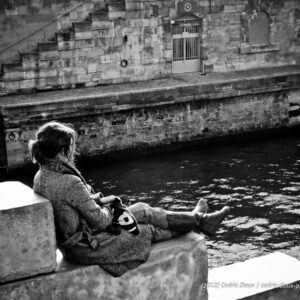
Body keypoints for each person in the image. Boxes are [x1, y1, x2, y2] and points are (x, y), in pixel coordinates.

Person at [29, 121, 229, 277]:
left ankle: (199, 219)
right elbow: (101, 220)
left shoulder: (42, 175)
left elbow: (71, 207)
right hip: (88, 247)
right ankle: (199, 221)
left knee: (142, 210)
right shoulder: (69, 182)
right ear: (63, 151)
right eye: (72, 147)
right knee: (146, 224)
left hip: (73, 246)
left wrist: (93, 201)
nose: (74, 151)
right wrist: (110, 207)